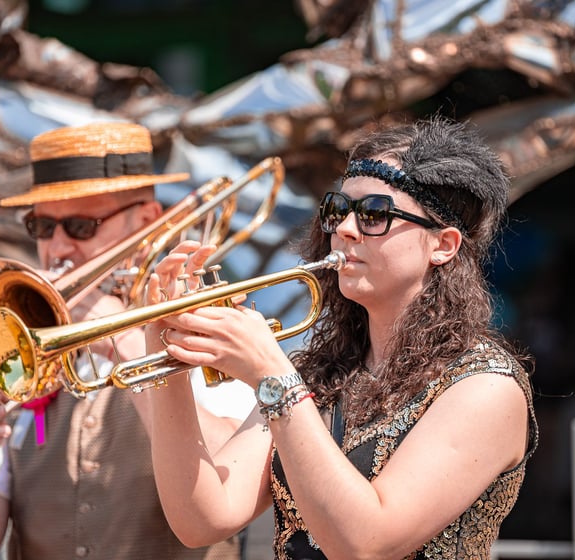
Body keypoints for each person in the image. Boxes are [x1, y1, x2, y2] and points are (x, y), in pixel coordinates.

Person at [143, 114, 539, 559]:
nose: (344, 230)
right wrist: (167, 356)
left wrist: (272, 374)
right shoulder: (319, 373)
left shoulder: (486, 386)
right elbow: (202, 519)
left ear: (442, 245)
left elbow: (366, 543)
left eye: (374, 214)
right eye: (338, 210)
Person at [0, 122, 253, 560]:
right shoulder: (18, 340)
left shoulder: (210, 323)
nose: (58, 246)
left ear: (147, 221)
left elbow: (230, 476)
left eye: (81, 226)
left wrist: (122, 336)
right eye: (42, 226)